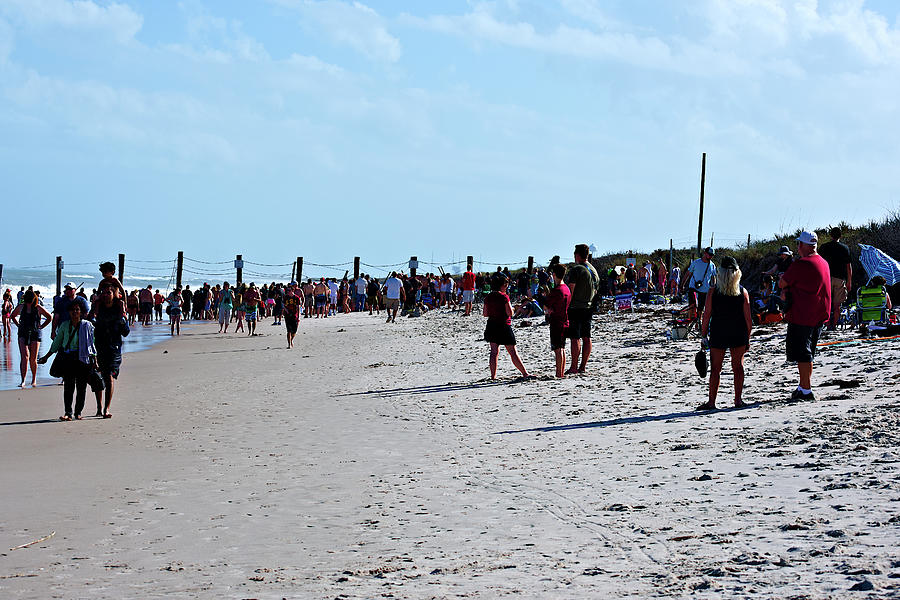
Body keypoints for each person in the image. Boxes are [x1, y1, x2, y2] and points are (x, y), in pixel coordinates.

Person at [779, 231, 831, 401]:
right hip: (819, 313)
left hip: (804, 313)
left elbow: (782, 282)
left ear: (802, 245)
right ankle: (803, 386)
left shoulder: (802, 264)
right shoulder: (823, 262)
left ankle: (806, 390)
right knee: (808, 351)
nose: (798, 247)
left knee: (803, 353)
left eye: (799, 244)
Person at [697, 256, 752, 410]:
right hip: (738, 332)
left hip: (718, 332)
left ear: (720, 273)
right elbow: (748, 320)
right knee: (738, 368)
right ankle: (738, 400)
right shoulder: (742, 291)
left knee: (715, 369)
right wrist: (747, 338)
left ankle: (712, 402)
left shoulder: (713, 291)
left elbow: (706, 315)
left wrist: (703, 336)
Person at [37, 302, 96, 421]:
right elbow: (57, 342)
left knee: (81, 387)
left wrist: (95, 360)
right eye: (72, 310)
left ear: (81, 312)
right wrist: (47, 356)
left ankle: (78, 412)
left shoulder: (87, 325)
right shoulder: (64, 326)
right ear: (69, 312)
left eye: (77, 309)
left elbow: (92, 344)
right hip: (68, 358)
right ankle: (68, 413)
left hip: (83, 358)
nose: (75, 312)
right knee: (68, 387)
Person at [483, 273, 531, 379]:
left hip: (491, 325)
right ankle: (524, 373)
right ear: (502, 285)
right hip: (504, 325)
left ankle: (493, 376)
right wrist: (514, 309)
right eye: (506, 284)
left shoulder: (488, 297)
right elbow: (510, 313)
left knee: (494, 352)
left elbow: (485, 314)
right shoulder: (504, 297)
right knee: (512, 352)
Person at [91, 285, 129, 418]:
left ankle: (106, 408)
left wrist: (123, 317)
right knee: (98, 378)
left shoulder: (119, 309)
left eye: (109, 292)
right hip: (99, 347)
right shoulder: (98, 308)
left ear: (114, 294)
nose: (106, 295)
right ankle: (99, 406)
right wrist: (93, 310)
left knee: (109, 377)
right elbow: (90, 325)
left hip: (114, 349)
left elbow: (126, 332)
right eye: (104, 293)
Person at [564, 243, 599, 374]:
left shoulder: (576, 269)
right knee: (586, 336)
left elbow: (570, 290)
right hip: (588, 306)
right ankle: (583, 366)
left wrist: (565, 305)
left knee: (575, 337)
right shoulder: (593, 269)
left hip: (576, 307)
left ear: (576, 255)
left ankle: (574, 366)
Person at [10, 289, 52, 387]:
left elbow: (50, 317)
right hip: (23, 332)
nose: (28, 302)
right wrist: (18, 325)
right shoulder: (21, 307)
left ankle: (33, 379)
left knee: (33, 358)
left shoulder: (38, 308)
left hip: (35, 333)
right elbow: (12, 316)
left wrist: (42, 326)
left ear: (34, 299)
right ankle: (23, 380)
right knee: (24, 357)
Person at [818, 227, 853, 330]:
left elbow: (819, 263)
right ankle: (834, 325)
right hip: (839, 278)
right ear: (840, 236)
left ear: (830, 235)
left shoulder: (824, 247)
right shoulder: (844, 248)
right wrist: (849, 281)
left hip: (826, 278)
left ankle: (828, 324)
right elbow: (848, 267)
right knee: (837, 305)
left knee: (827, 303)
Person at [545, 264, 571, 378]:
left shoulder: (557, 291)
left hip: (556, 321)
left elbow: (546, 306)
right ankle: (561, 372)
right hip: (565, 319)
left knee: (558, 348)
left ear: (554, 275)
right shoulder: (566, 288)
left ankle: (559, 373)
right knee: (562, 347)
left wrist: (548, 310)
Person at [283, 282, 303, 348]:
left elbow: (298, 307)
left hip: (295, 315)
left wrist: (299, 316)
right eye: (287, 291)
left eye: (289, 290)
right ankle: (289, 344)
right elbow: (284, 306)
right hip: (287, 315)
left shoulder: (297, 298)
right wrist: (286, 311)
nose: (288, 292)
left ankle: (291, 340)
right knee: (289, 330)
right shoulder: (285, 297)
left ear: (292, 290)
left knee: (294, 330)